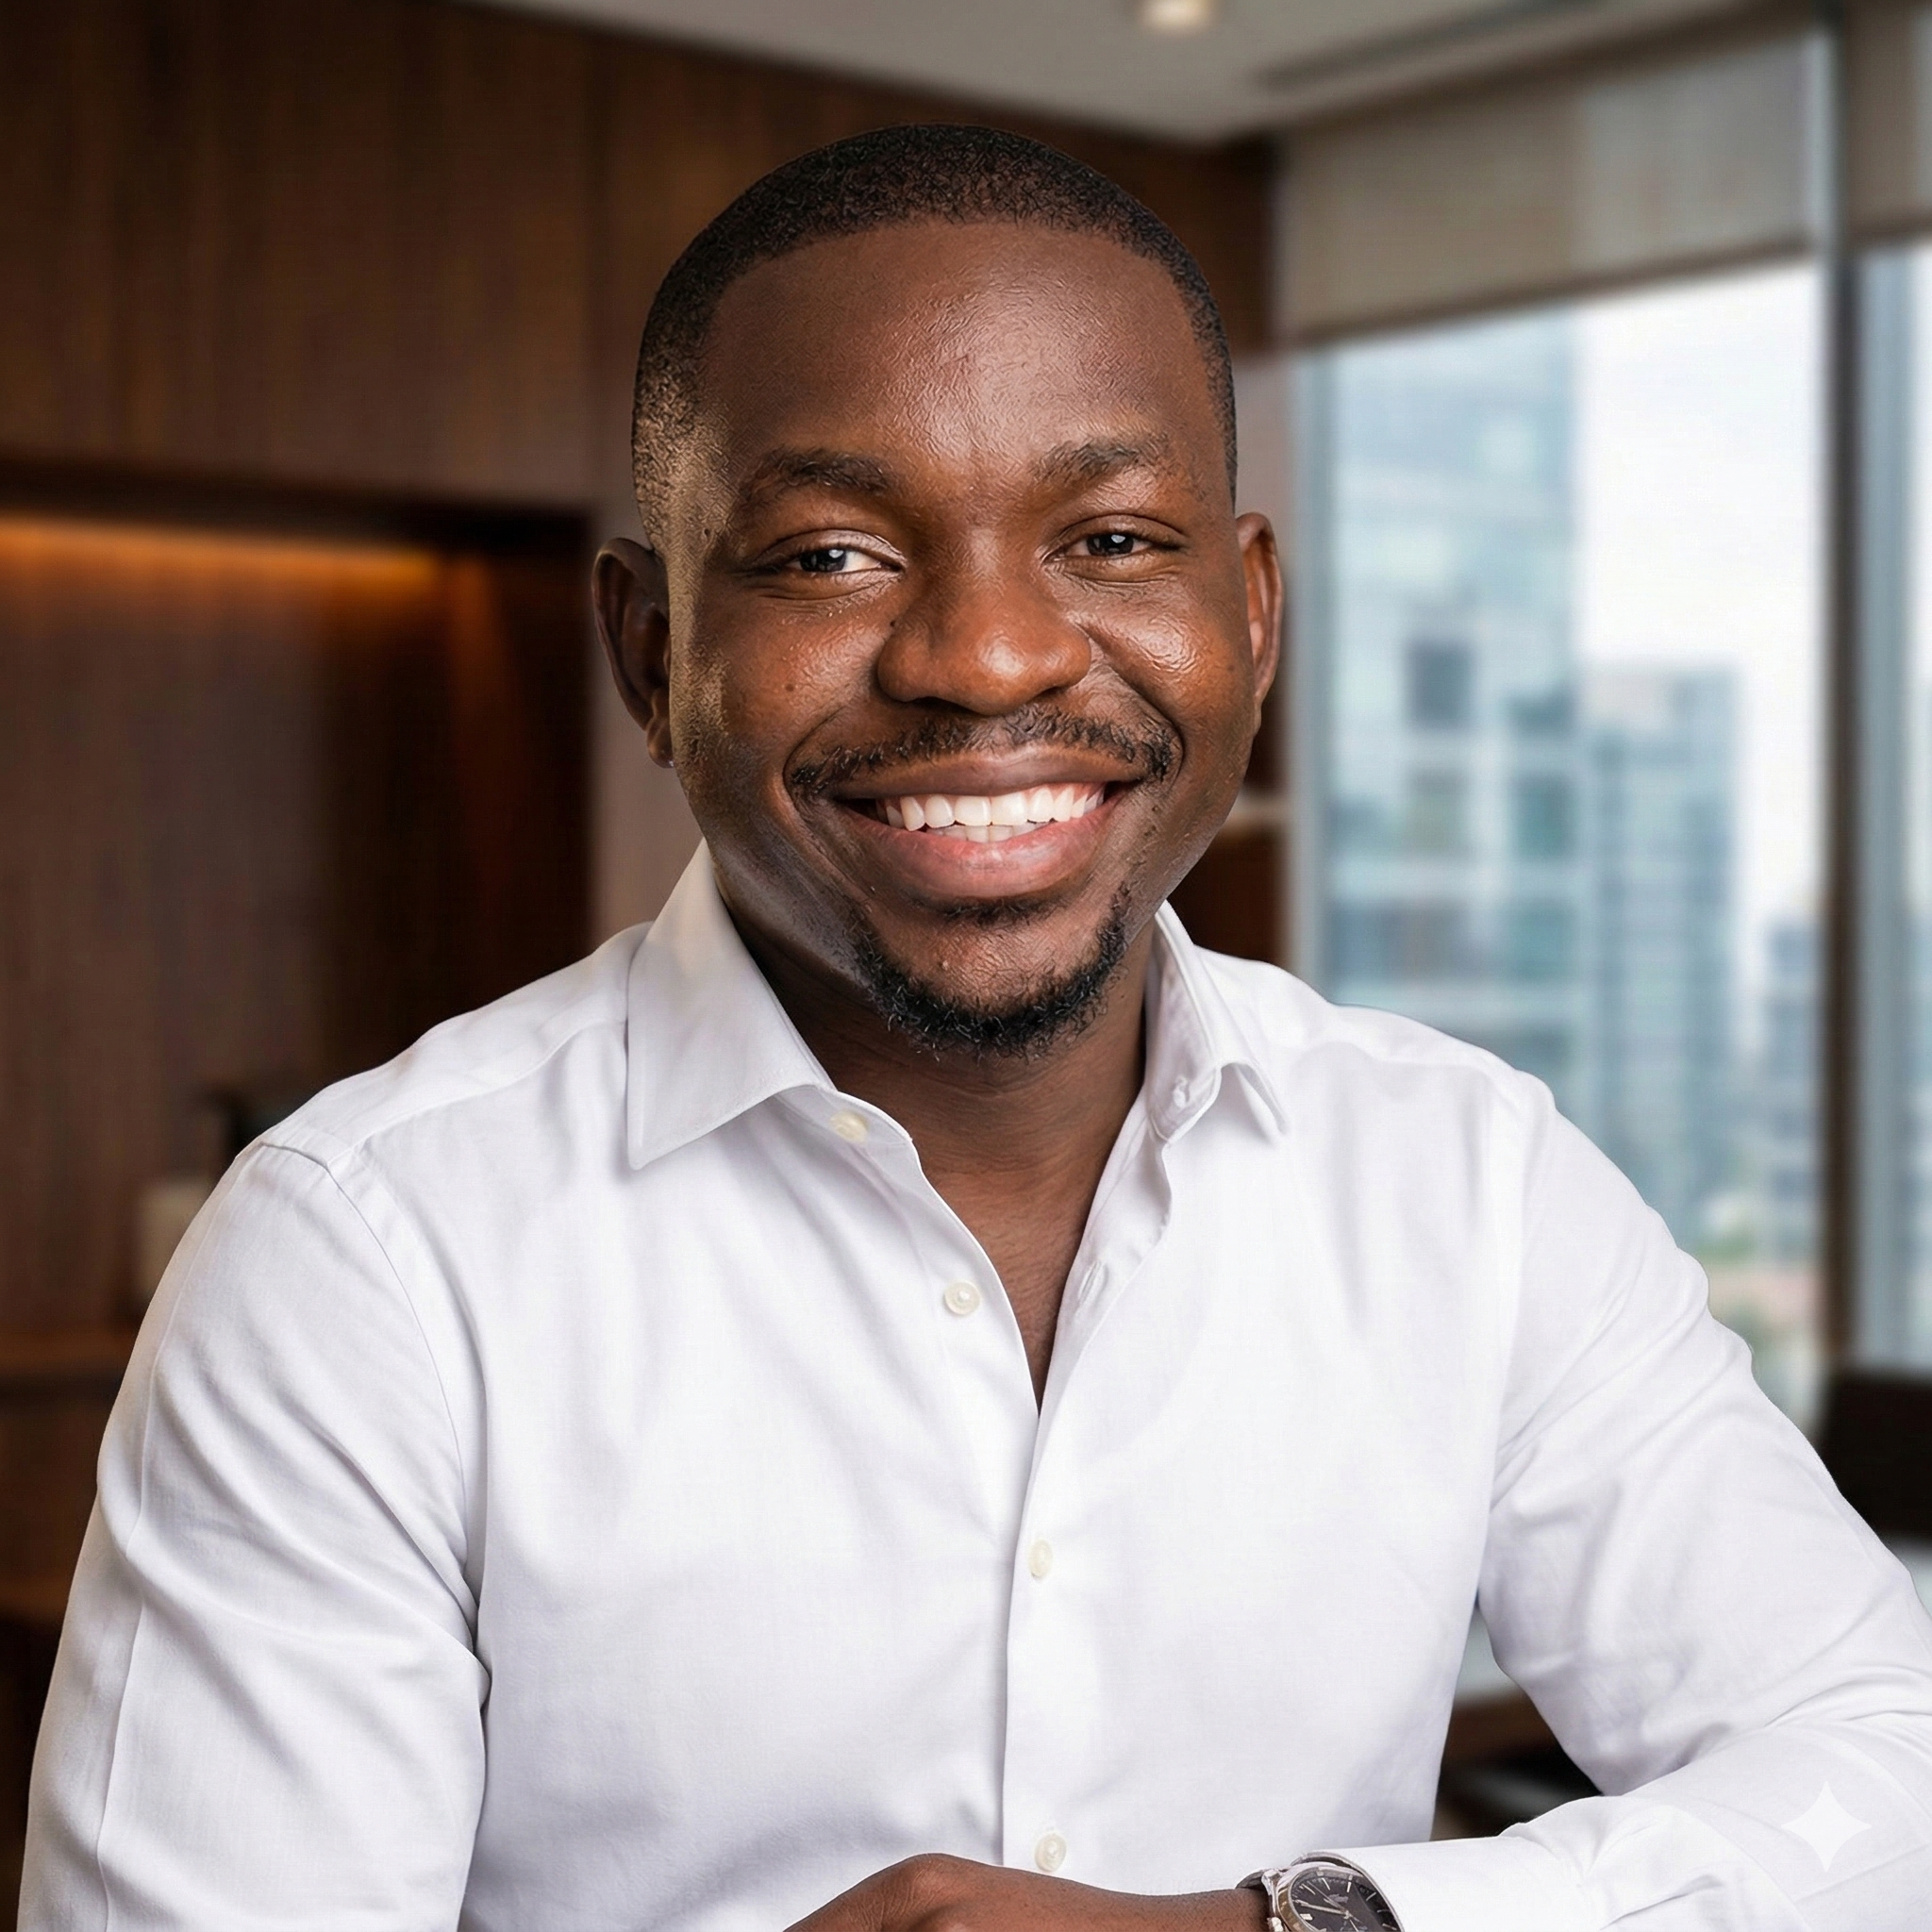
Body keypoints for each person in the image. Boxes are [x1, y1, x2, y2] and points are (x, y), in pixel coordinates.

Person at [22, 124, 1932, 1932]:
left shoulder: (1471, 1179)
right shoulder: (364, 1256)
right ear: (646, 651)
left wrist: (1288, 1922)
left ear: (1250, 613)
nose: (989, 656)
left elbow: (1888, 1772)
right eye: (831, 555)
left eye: (1109, 539)